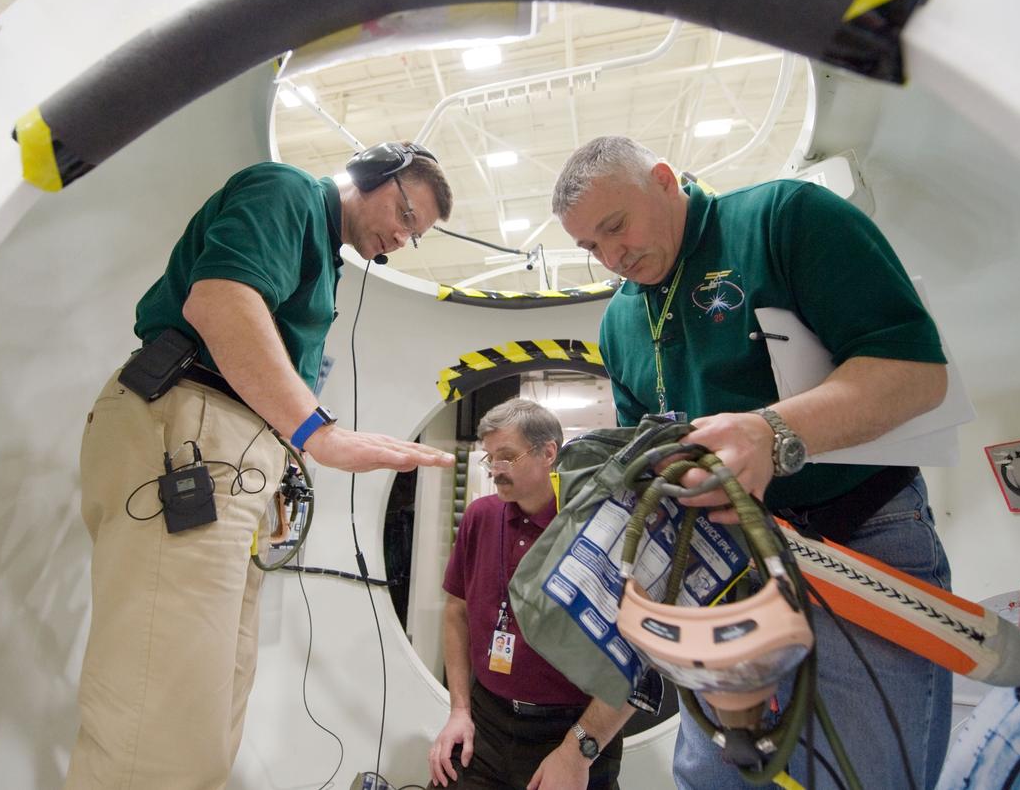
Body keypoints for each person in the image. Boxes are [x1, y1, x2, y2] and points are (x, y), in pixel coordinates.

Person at [552, 136, 953, 789]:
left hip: (858, 542)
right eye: (591, 247)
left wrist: (773, 432)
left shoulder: (783, 218)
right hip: (721, 571)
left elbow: (916, 372)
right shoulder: (619, 323)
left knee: (863, 774)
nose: (612, 257)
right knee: (714, 776)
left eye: (615, 226)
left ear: (662, 179)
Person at [66, 142, 456, 788]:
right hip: (192, 430)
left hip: (226, 450)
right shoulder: (288, 190)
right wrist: (317, 434)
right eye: (406, 212)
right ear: (372, 172)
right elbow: (220, 304)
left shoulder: (323, 257)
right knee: (161, 711)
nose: (401, 235)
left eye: (414, 235)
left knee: (209, 702)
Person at [429, 398, 636, 790]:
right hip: (487, 718)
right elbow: (456, 610)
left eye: (507, 457)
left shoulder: (594, 529)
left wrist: (578, 750)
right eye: (490, 459)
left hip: (571, 727)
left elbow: (634, 657)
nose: (495, 470)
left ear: (548, 453)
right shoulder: (481, 517)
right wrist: (459, 709)